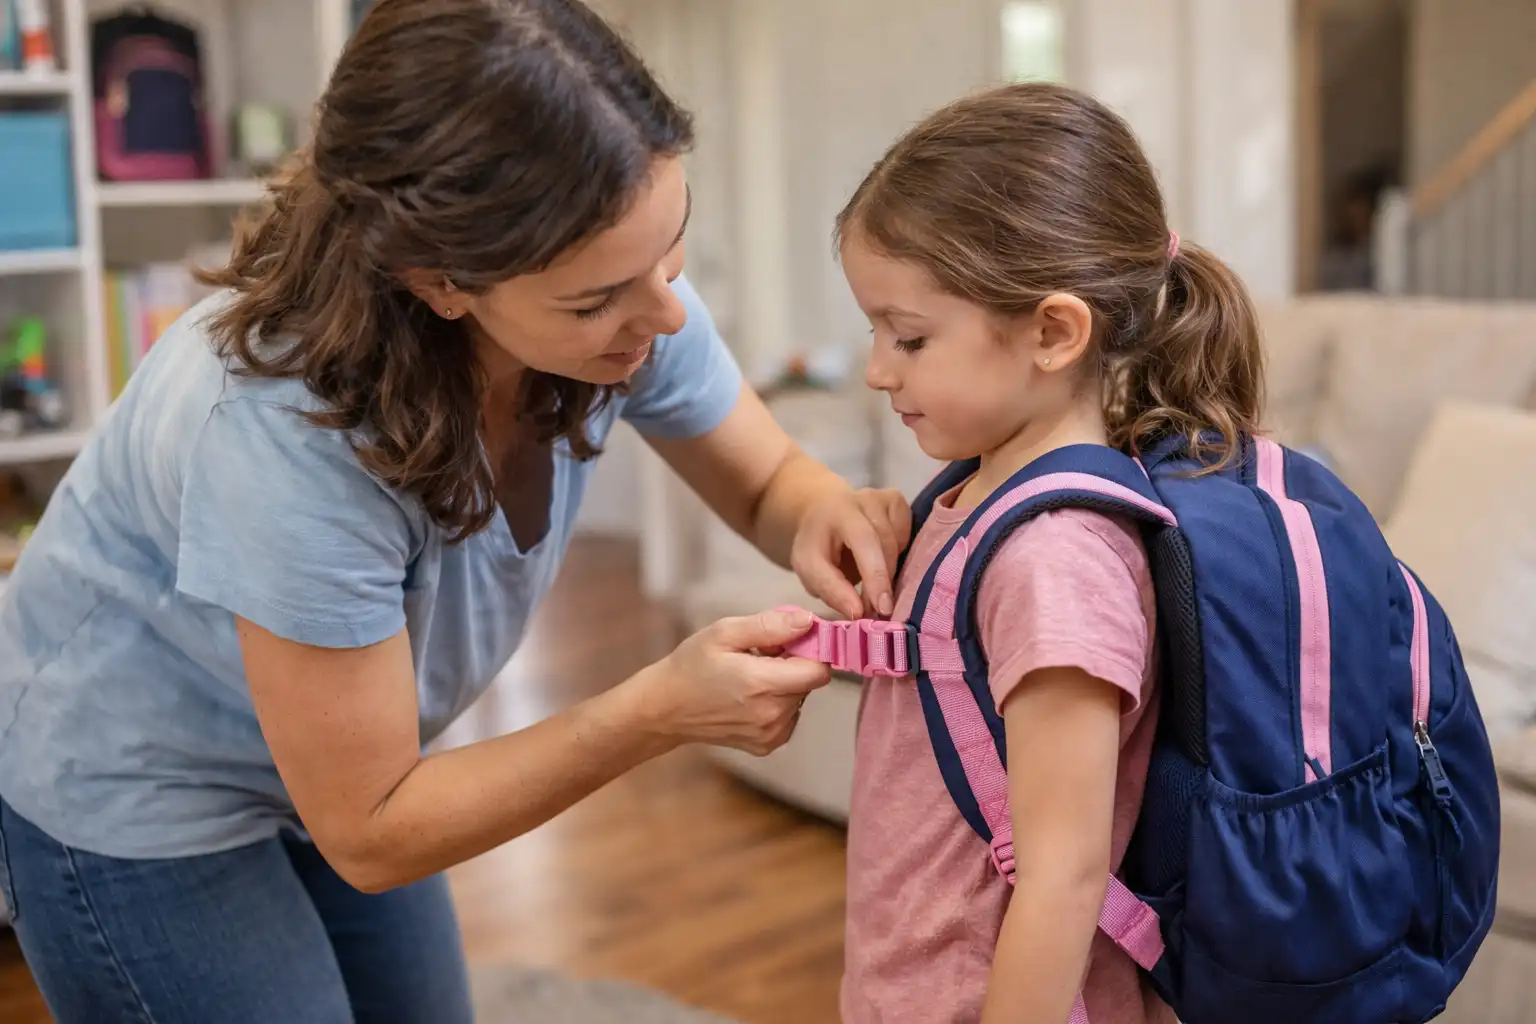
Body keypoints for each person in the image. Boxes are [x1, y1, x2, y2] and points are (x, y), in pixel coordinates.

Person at [0, 2, 907, 1022]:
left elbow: (761, 480)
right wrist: (657, 710)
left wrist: (827, 511)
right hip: (139, 774)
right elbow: (375, 827)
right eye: (597, 298)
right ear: (438, 281)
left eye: (673, 247)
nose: (664, 314)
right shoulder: (284, 436)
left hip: (346, 759)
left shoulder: (625, 291)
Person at [832, 82, 1264, 1023]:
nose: (877, 369)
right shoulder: (972, 497)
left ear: (1054, 331)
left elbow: (1065, 877)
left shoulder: (1057, 560)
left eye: (909, 336)